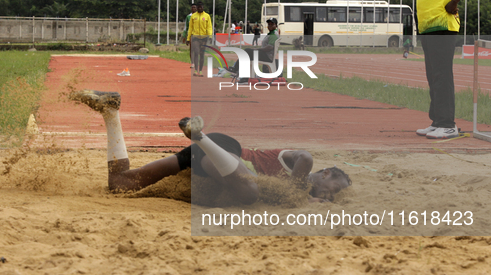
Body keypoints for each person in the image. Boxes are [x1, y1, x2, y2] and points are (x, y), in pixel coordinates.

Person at [69, 90, 351, 204]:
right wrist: (297, 193)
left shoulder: (305, 191)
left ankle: (111, 112)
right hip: (224, 148)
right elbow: (305, 156)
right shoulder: (300, 166)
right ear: (325, 174)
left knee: (121, 184)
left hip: (202, 163)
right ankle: (199, 135)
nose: (329, 196)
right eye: (333, 190)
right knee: (249, 190)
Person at [415, 0, 478, 139]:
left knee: (442, 75)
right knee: (433, 76)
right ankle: (437, 121)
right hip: (428, 28)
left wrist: (454, 1)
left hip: (443, 26)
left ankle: (448, 124)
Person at [186, 2, 213, 77]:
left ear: (203, 7)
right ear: (197, 8)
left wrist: (210, 36)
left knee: (202, 54)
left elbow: (209, 27)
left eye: (201, 7)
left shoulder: (207, 16)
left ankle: (200, 71)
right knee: (196, 53)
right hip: (195, 37)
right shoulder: (193, 16)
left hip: (204, 37)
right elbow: (190, 28)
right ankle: (195, 70)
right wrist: (188, 38)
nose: (200, 8)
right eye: (199, 7)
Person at [182, 4, 197, 69]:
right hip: (191, 34)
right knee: (192, 49)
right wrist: (184, 36)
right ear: (191, 8)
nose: (193, 8)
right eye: (192, 7)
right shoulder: (188, 16)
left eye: (195, 7)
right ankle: (192, 63)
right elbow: (186, 27)